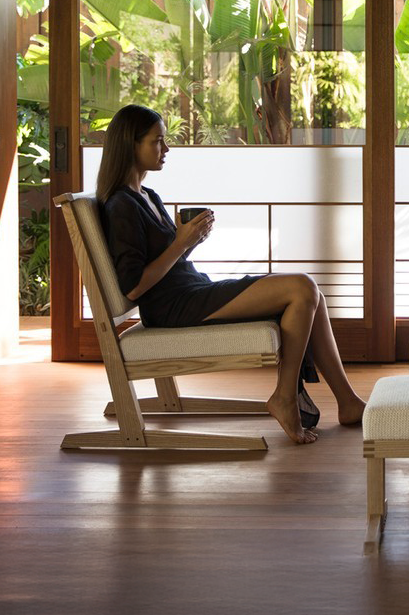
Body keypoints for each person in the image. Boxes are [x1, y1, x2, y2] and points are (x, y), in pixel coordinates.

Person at [96, 103, 365, 446]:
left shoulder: (147, 196)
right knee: (302, 287)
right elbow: (133, 287)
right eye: (157, 141)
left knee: (313, 294)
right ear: (130, 145)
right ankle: (284, 398)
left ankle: (348, 402)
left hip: (191, 291)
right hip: (174, 306)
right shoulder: (122, 205)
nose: (167, 149)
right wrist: (181, 243)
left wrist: (191, 241)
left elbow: (166, 261)